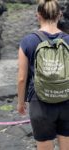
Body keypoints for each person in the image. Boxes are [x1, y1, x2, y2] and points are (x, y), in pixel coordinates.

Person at [17, 0, 69, 150]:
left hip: (40, 102)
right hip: (66, 100)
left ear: (38, 15)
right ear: (60, 15)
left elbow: (22, 78)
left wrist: (21, 103)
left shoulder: (27, 41)